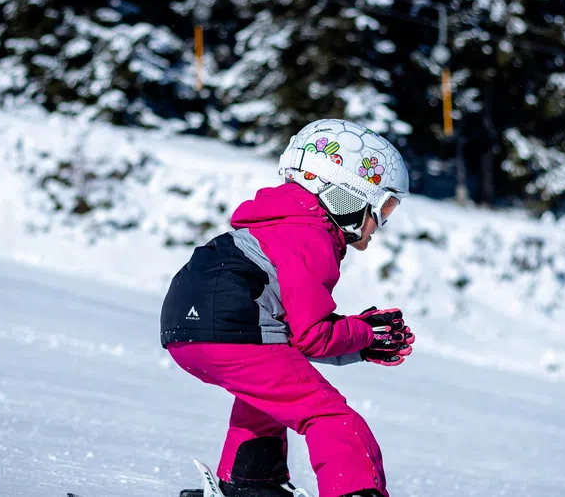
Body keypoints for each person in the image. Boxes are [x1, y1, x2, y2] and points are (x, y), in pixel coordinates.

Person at [161, 119, 415, 497]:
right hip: (231, 326)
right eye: (383, 208)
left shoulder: (276, 224)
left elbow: (291, 340)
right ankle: (355, 491)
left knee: (269, 397)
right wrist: (366, 332)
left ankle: (252, 482)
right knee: (328, 415)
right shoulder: (310, 235)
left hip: (185, 328)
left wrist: (358, 342)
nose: (379, 224)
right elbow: (312, 336)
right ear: (346, 195)